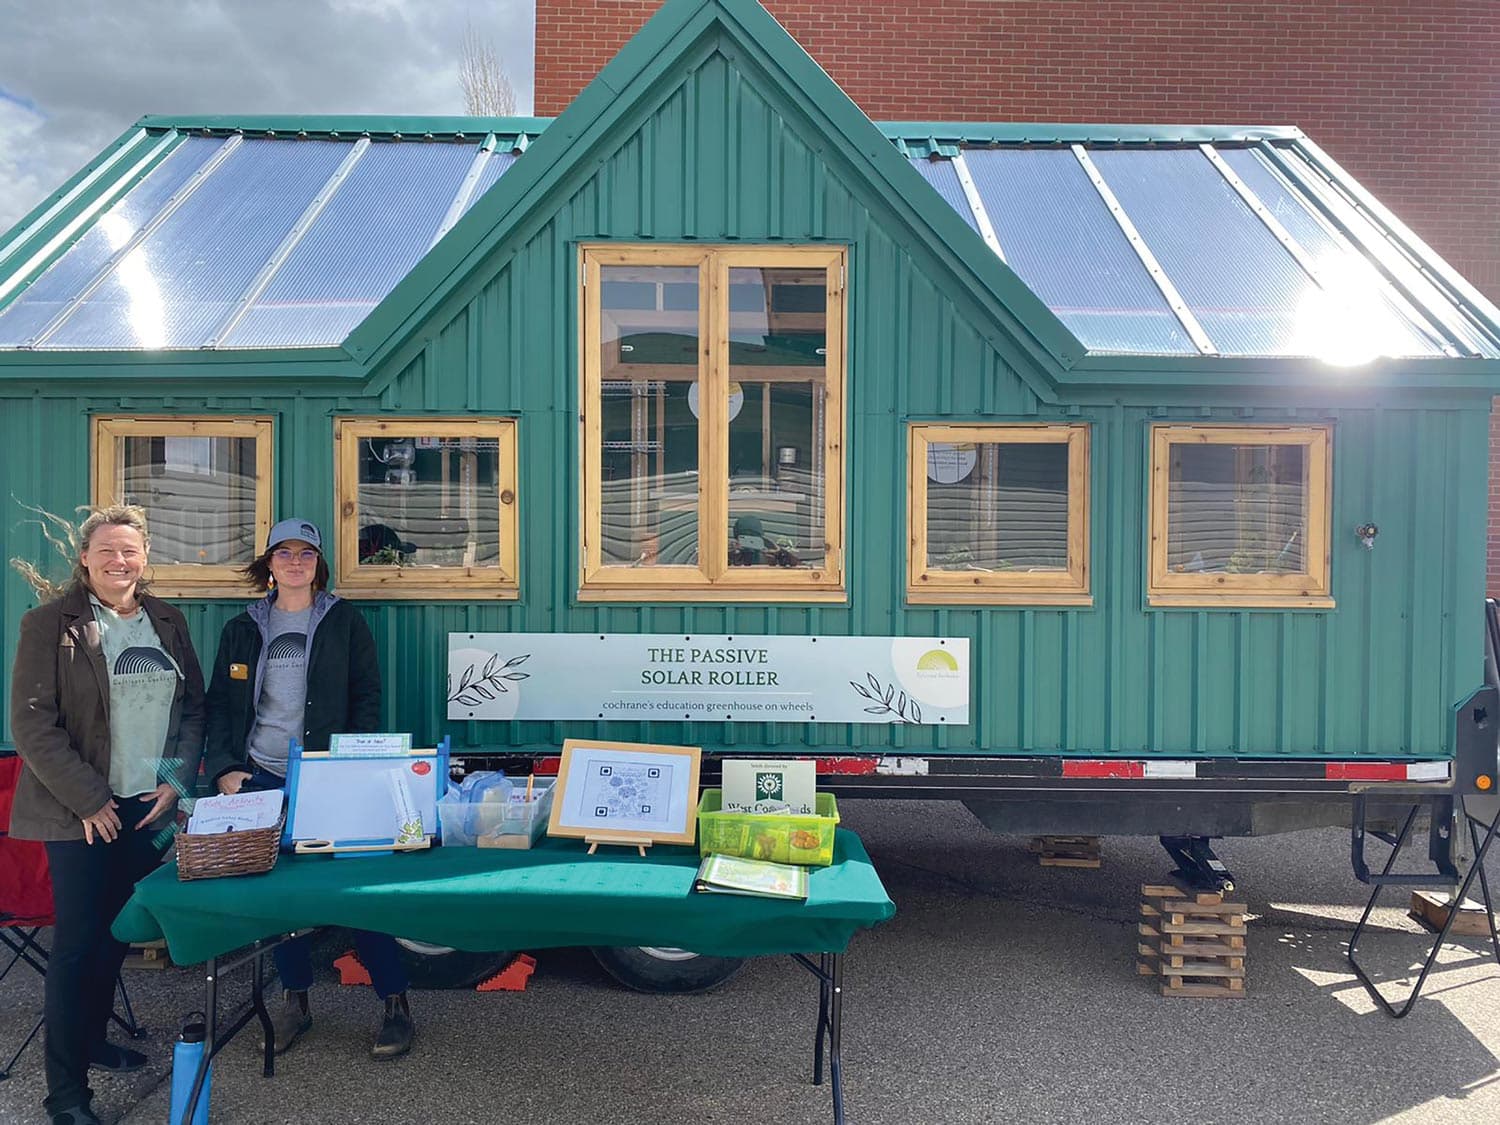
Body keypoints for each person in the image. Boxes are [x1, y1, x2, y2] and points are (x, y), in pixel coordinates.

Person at [9, 505, 205, 1125]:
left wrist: (175, 780)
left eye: (130, 551)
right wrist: (90, 799)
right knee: (77, 946)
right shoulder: (49, 624)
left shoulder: (167, 621)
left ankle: (93, 1041)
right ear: (85, 559)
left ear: (144, 558)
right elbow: (32, 724)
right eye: (107, 551)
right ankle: (66, 1096)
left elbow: (193, 709)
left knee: (117, 936)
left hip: (148, 808)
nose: (119, 561)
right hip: (83, 812)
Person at [202, 517, 414, 1060]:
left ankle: (395, 1003)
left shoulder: (344, 621)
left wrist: (351, 764)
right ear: (269, 564)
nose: (295, 562)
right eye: (284, 553)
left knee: (358, 893)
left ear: (319, 564)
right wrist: (226, 768)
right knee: (281, 900)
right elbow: (220, 705)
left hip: (329, 774)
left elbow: (367, 695)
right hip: (261, 775)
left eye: (306, 554)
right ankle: (295, 1002)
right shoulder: (243, 628)